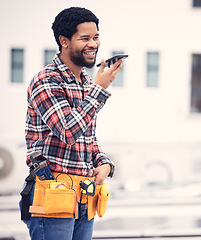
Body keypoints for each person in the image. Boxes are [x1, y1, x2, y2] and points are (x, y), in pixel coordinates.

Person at [22, 7, 123, 240]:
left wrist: (105, 163)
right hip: (53, 193)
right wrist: (99, 90)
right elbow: (68, 131)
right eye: (84, 38)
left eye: (96, 37)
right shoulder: (46, 80)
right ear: (64, 41)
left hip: (84, 196)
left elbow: (87, 138)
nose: (93, 44)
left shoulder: (86, 82)